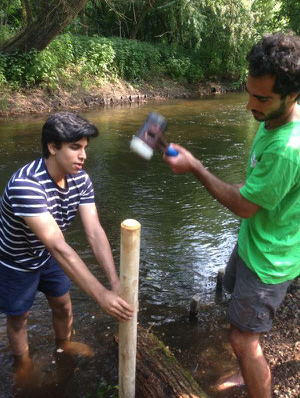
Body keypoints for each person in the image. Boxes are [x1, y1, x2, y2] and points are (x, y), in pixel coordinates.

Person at [163, 32, 300, 398]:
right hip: (255, 240)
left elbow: (244, 204)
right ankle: (249, 367)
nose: (250, 105)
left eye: (261, 98)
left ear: (292, 94)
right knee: (241, 318)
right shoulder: (273, 120)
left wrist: (196, 167)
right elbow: (255, 187)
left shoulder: (287, 148)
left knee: (243, 339)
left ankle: (255, 378)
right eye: (249, 92)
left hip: (269, 260)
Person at [0, 111, 134, 386]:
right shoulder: (27, 185)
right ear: (52, 147)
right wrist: (100, 296)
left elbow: (95, 232)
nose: (83, 155)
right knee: (19, 318)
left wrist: (113, 282)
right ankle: (22, 362)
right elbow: (59, 246)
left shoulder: (81, 180)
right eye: (75, 148)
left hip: (47, 253)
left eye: (84, 148)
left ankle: (64, 345)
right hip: (16, 259)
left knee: (63, 305)